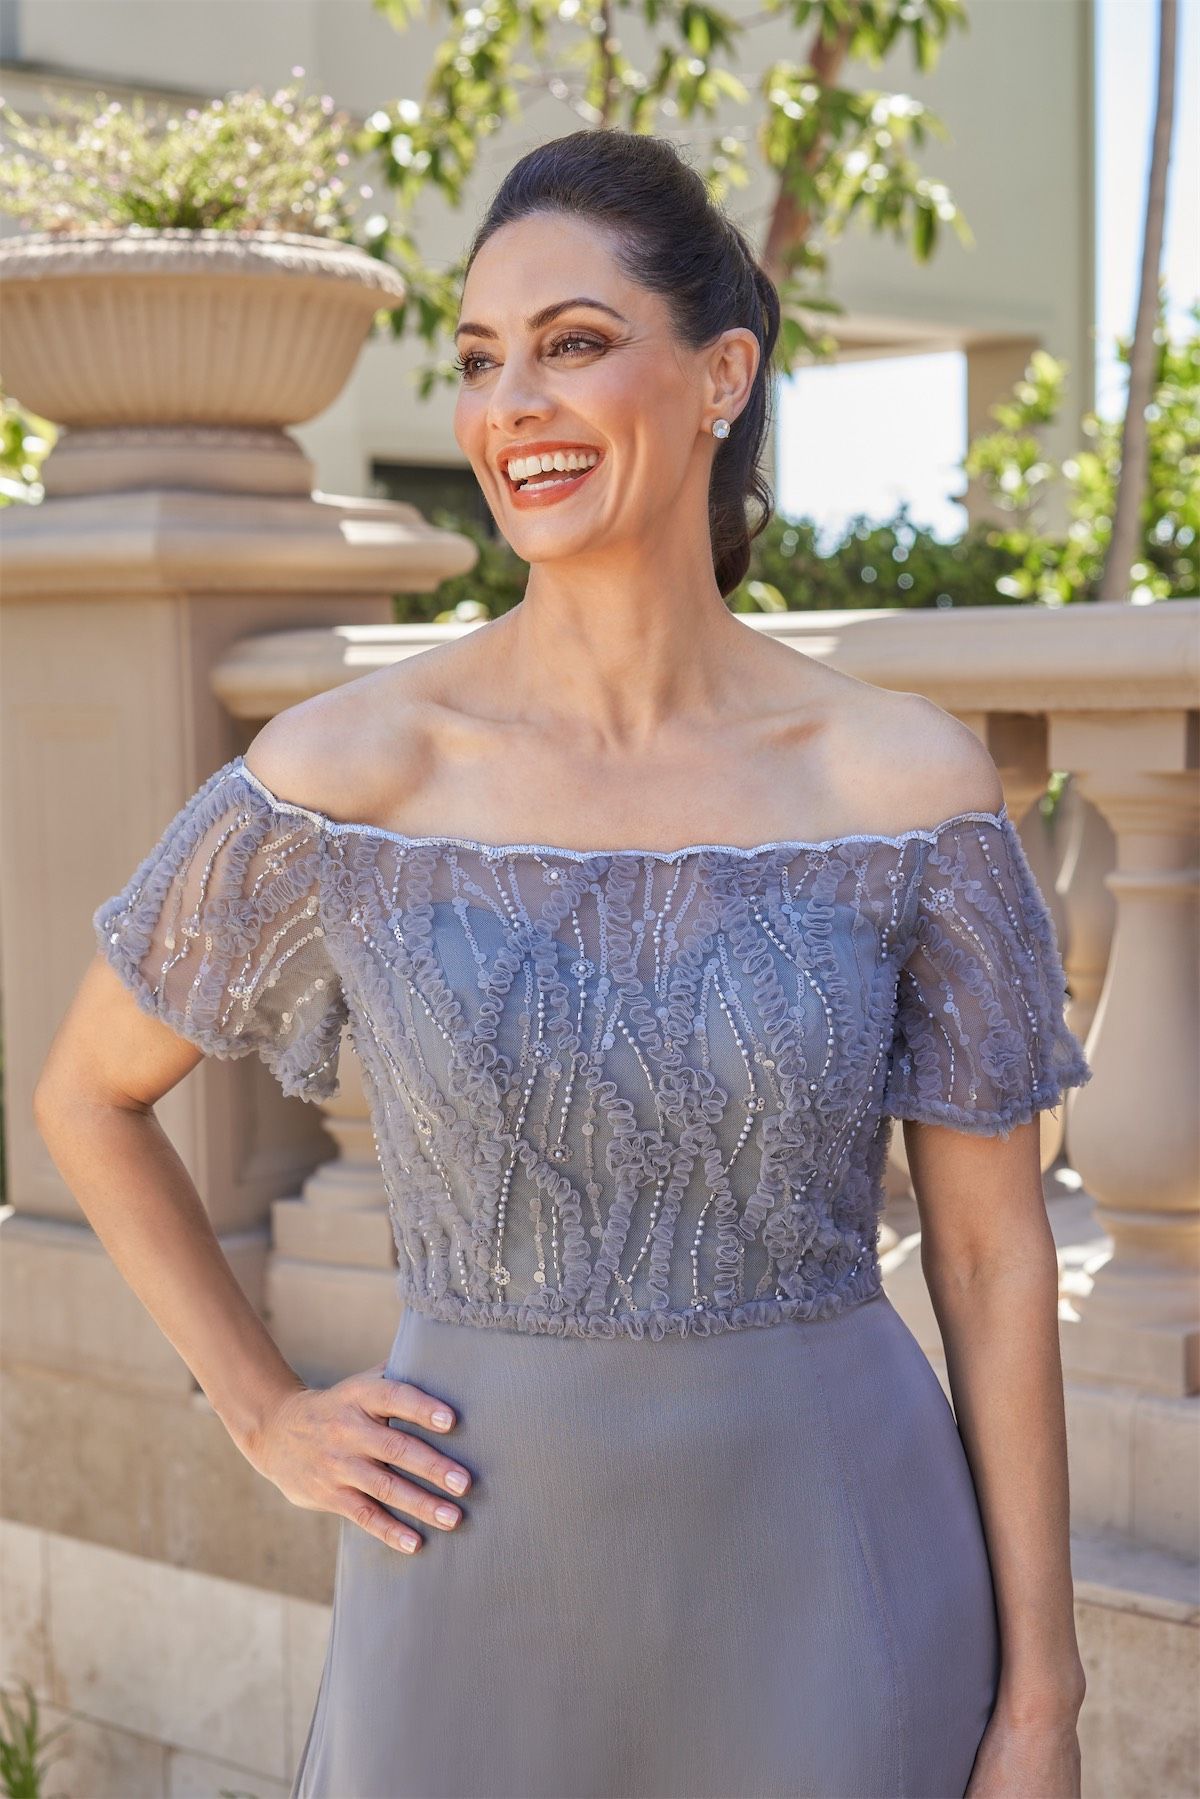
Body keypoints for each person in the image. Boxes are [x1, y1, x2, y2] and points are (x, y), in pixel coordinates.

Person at [37, 129, 1094, 1799]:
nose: (510, 402)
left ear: (720, 375)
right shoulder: (350, 773)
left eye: (576, 344)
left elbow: (992, 1261)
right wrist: (263, 1411)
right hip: (469, 1581)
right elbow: (88, 1097)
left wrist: (1044, 1703)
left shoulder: (901, 789)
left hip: (838, 1565)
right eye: (479, 361)